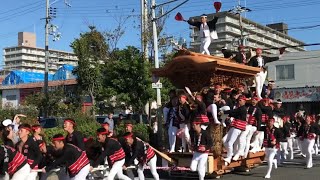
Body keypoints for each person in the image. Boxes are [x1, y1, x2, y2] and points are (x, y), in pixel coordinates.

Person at [221, 95, 248, 164]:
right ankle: (230, 153)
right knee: (224, 140)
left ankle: (229, 157)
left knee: (230, 142)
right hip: (234, 126)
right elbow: (234, 113)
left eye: (240, 100)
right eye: (238, 100)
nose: (239, 101)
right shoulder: (239, 108)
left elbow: (234, 112)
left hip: (238, 127)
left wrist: (224, 112)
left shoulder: (243, 108)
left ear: (244, 101)